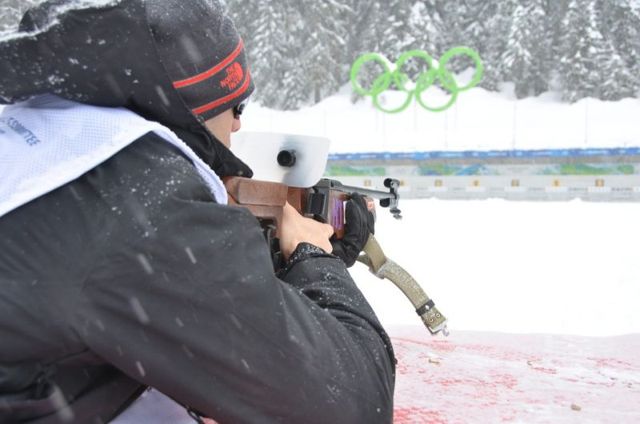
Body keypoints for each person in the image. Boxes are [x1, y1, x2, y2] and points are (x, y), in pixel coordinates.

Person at [0, 0, 396, 423]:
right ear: (192, 105)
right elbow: (354, 402)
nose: (238, 125)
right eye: (237, 106)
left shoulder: (47, 141)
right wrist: (315, 259)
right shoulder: (140, 205)